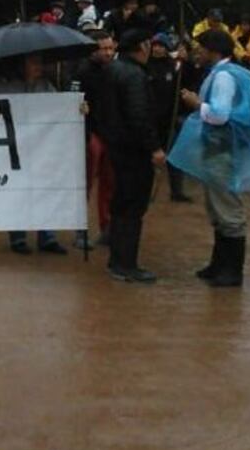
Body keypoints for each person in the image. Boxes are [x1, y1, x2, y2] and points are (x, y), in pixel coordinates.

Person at [171, 28, 250, 288]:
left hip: (221, 150)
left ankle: (232, 270)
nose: (197, 53)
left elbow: (220, 115)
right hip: (218, 149)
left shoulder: (224, 77)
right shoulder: (222, 73)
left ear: (214, 51)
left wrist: (196, 104)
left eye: (201, 49)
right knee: (217, 207)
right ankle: (218, 264)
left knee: (227, 208)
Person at [98, 28, 166, 282]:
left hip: (117, 147)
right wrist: (154, 147)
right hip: (134, 151)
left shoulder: (112, 70)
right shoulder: (135, 75)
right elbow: (139, 116)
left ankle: (117, 260)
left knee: (120, 205)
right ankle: (126, 264)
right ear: (141, 47)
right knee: (133, 207)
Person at [0, 55, 68, 256]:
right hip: (16, 147)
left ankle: (47, 236)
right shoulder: (8, 87)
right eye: (33, 63)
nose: (38, 66)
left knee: (45, 188)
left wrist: (77, 108)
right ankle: (18, 236)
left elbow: (61, 107)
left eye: (40, 62)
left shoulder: (46, 87)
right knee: (18, 190)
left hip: (42, 147)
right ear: (22, 66)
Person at [70, 30, 116, 248]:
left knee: (109, 183)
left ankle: (107, 228)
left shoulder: (115, 71)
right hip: (90, 134)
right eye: (103, 48)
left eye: (110, 48)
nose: (108, 52)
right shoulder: (82, 73)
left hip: (109, 133)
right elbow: (73, 103)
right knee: (85, 183)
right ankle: (80, 229)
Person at [147, 33, 191, 203]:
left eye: (161, 46)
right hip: (150, 120)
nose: (157, 49)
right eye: (155, 45)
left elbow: (185, 82)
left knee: (175, 156)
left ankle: (177, 191)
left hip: (169, 119)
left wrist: (185, 62)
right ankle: (146, 191)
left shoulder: (173, 66)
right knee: (149, 158)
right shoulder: (145, 66)